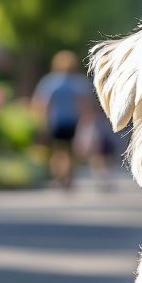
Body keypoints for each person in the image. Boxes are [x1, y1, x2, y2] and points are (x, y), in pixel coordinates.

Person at [31, 49, 94, 189]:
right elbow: (83, 104)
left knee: (58, 150)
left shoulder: (50, 81)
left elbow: (43, 102)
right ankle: (69, 178)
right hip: (74, 122)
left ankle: (59, 174)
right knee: (71, 152)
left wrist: (40, 118)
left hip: (56, 121)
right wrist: (87, 121)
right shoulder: (79, 82)